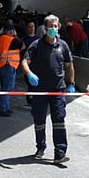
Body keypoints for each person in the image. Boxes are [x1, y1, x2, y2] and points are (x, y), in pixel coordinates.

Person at [21, 14, 75, 163]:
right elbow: (24, 62)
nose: (53, 29)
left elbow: (69, 65)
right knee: (39, 120)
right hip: (40, 90)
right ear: (45, 28)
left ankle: (60, 152)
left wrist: (71, 83)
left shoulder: (63, 45)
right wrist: (30, 73)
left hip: (58, 89)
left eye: (55, 26)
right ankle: (40, 146)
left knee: (59, 119)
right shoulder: (36, 45)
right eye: (50, 26)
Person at [0, 24, 24, 116]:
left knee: (4, 88)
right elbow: (23, 46)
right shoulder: (12, 40)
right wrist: (15, 36)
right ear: (11, 31)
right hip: (9, 66)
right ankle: (2, 109)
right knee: (7, 88)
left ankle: (6, 107)